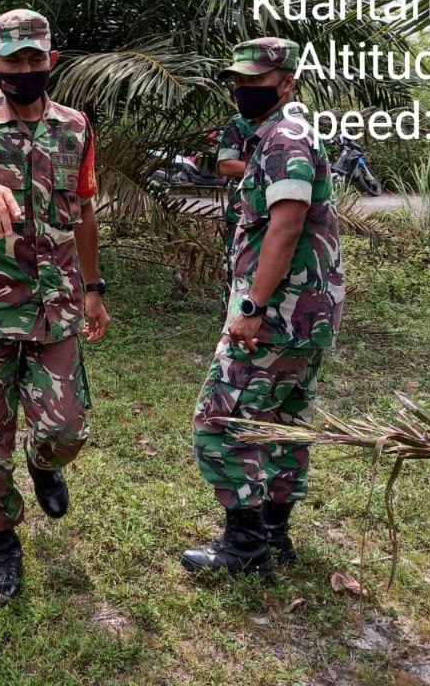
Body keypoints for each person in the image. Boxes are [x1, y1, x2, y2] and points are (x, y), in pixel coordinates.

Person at [0, 8, 110, 608]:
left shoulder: (76, 127)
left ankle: (46, 463)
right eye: (13, 59)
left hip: (55, 307)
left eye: (35, 58)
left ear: (50, 60)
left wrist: (93, 288)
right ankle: (3, 549)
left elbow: (82, 210)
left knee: (67, 427)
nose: (25, 69)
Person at [183, 38, 344, 577]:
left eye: (257, 81)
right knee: (281, 421)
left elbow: (287, 222)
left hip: (277, 313)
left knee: (218, 422)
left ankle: (245, 548)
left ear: (287, 83)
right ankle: (274, 536)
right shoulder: (280, 135)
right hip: (306, 312)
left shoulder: (284, 139)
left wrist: (251, 304)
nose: (245, 90)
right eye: (240, 81)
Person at [215, 113, 255, 309]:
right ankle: (232, 324)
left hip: (281, 211)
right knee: (237, 268)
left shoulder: (294, 122)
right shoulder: (240, 122)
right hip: (243, 212)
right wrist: (268, 167)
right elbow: (226, 165)